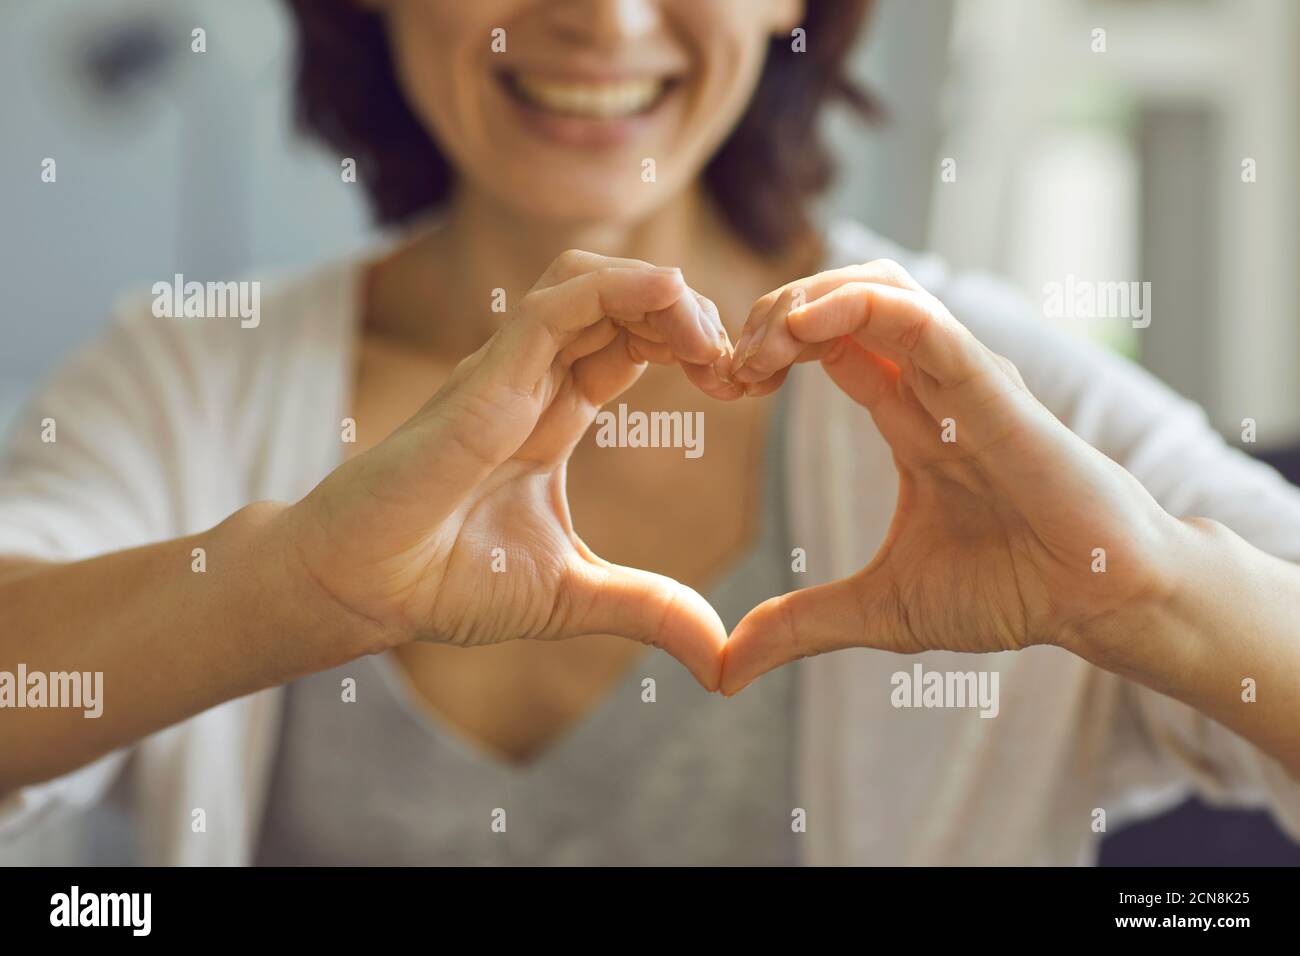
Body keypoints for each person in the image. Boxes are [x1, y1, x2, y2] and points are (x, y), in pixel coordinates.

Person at [2, 0, 1298, 866]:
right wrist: (287, 589)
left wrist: (1143, 587)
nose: (605, 18)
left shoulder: (996, 392)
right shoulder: (192, 377)